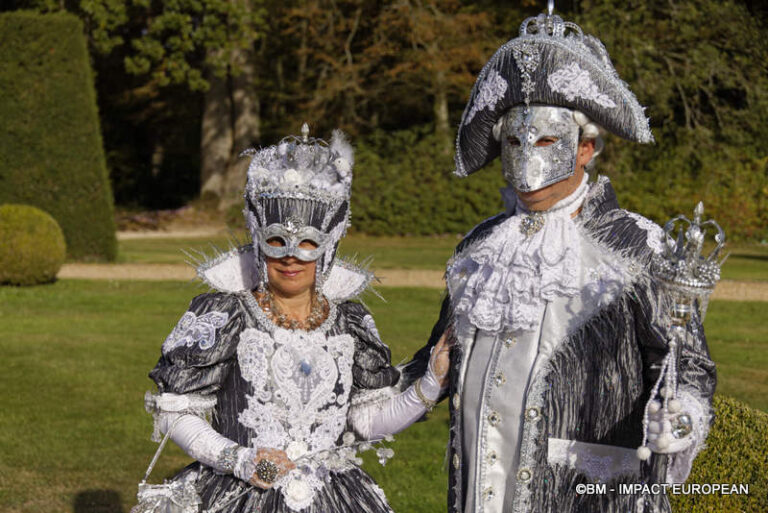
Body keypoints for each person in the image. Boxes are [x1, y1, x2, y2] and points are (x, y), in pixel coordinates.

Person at [398, 7, 716, 513]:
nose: (529, 161)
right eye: (515, 142)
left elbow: (689, 368)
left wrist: (680, 418)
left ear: (586, 147)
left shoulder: (638, 246)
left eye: (547, 140)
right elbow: (436, 359)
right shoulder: (477, 250)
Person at [133, 125, 451, 513]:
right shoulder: (226, 314)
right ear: (258, 239)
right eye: (277, 240)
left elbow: (367, 422)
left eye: (307, 244)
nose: (291, 257)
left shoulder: (349, 321)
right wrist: (240, 460)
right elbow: (176, 412)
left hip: (334, 498)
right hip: (241, 494)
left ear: (327, 248)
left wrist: (430, 385)